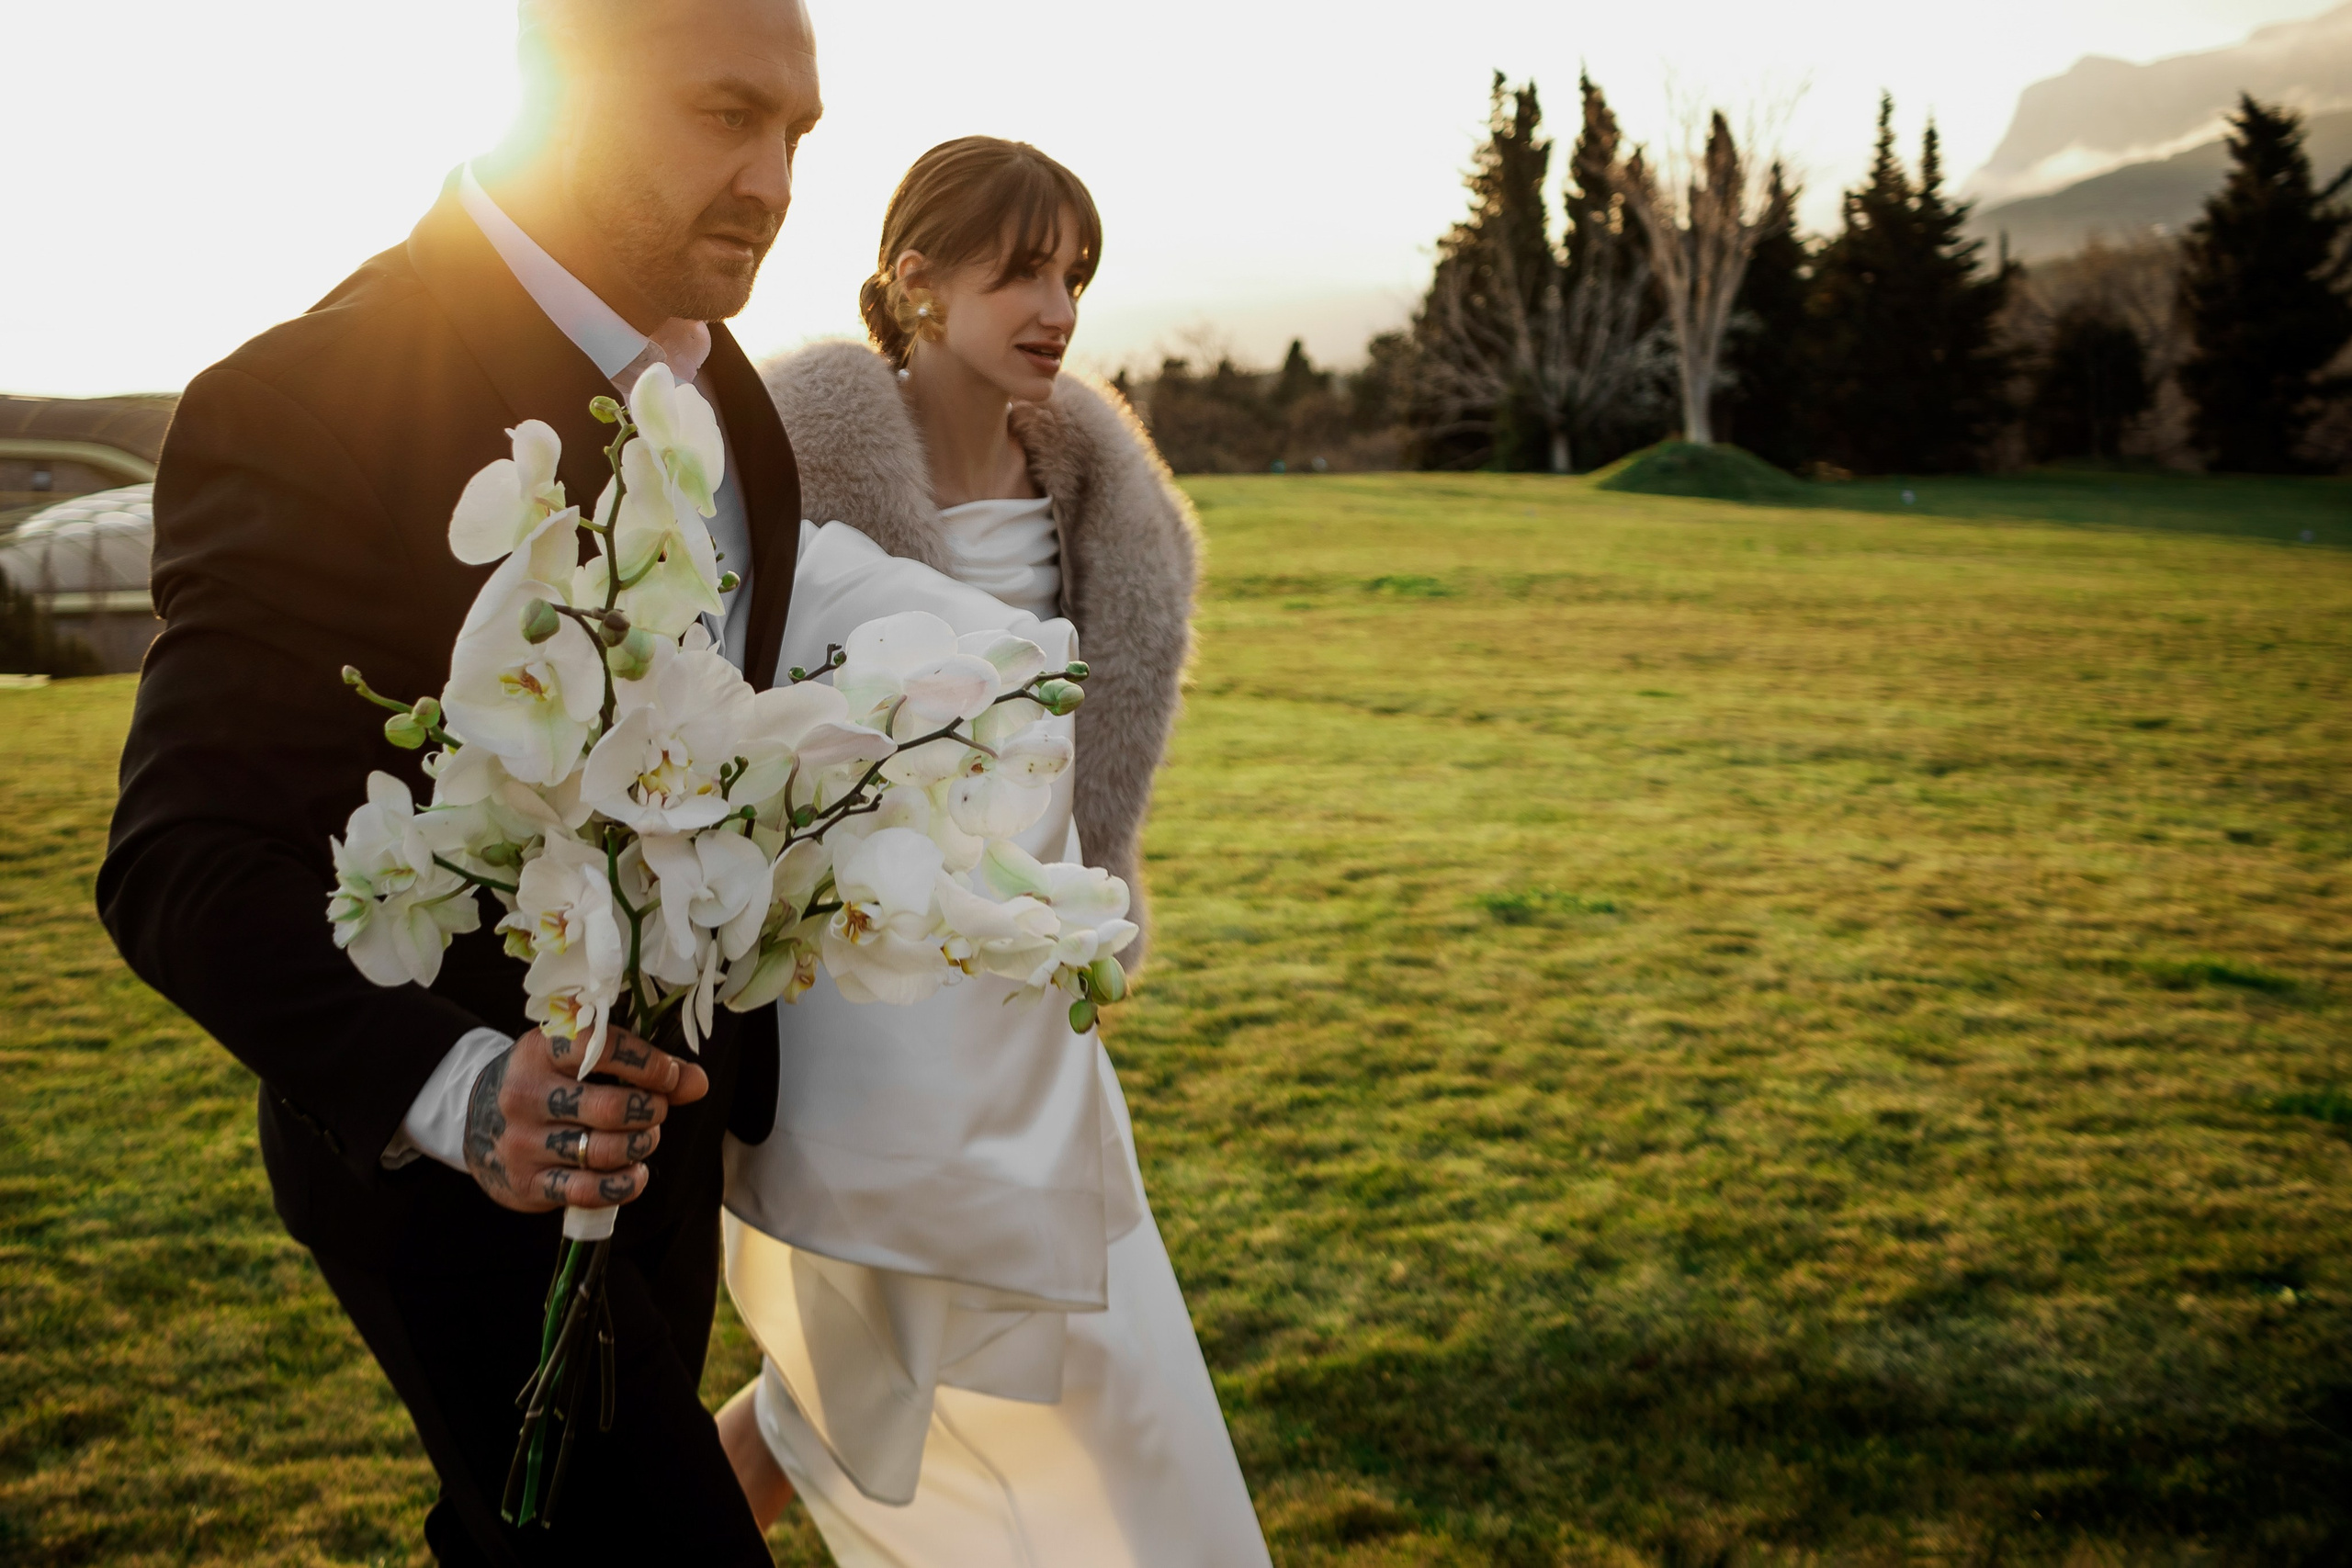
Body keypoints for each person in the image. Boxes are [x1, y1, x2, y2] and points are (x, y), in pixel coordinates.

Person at [96, 2, 820, 1562]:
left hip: (666, 1130)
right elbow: (180, 853)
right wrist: (463, 1094)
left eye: (797, 135)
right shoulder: (308, 395)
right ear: (553, 93)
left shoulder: (730, 395)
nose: (772, 178)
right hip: (446, 1169)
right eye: (724, 115)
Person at [713, 137, 1272, 1565]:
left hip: (1028, 1003)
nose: (1058, 306)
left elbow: (1093, 748)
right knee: (873, 1359)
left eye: (1074, 273)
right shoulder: (784, 465)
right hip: (865, 1005)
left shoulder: (1088, 481)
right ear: (914, 278)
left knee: (1090, 1349)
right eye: (1020, 269)